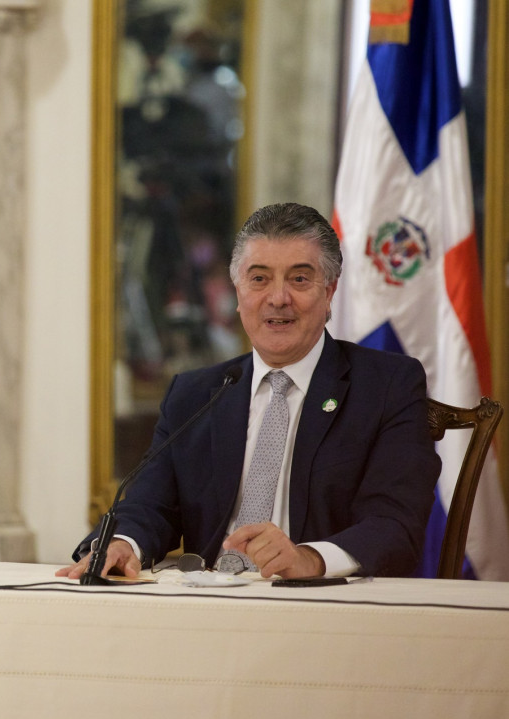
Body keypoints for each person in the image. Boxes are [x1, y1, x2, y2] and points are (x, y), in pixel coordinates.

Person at [59, 202, 440, 580]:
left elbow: (395, 522)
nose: (278, 298)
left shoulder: (386, 385)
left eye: (299, 279)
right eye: (259, 279)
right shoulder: (196, 394)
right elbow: (149, 504)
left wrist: (310, 559)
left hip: (324, 601)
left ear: (329, 292)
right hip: (209, 598)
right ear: (238, 293)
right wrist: (123, 543)